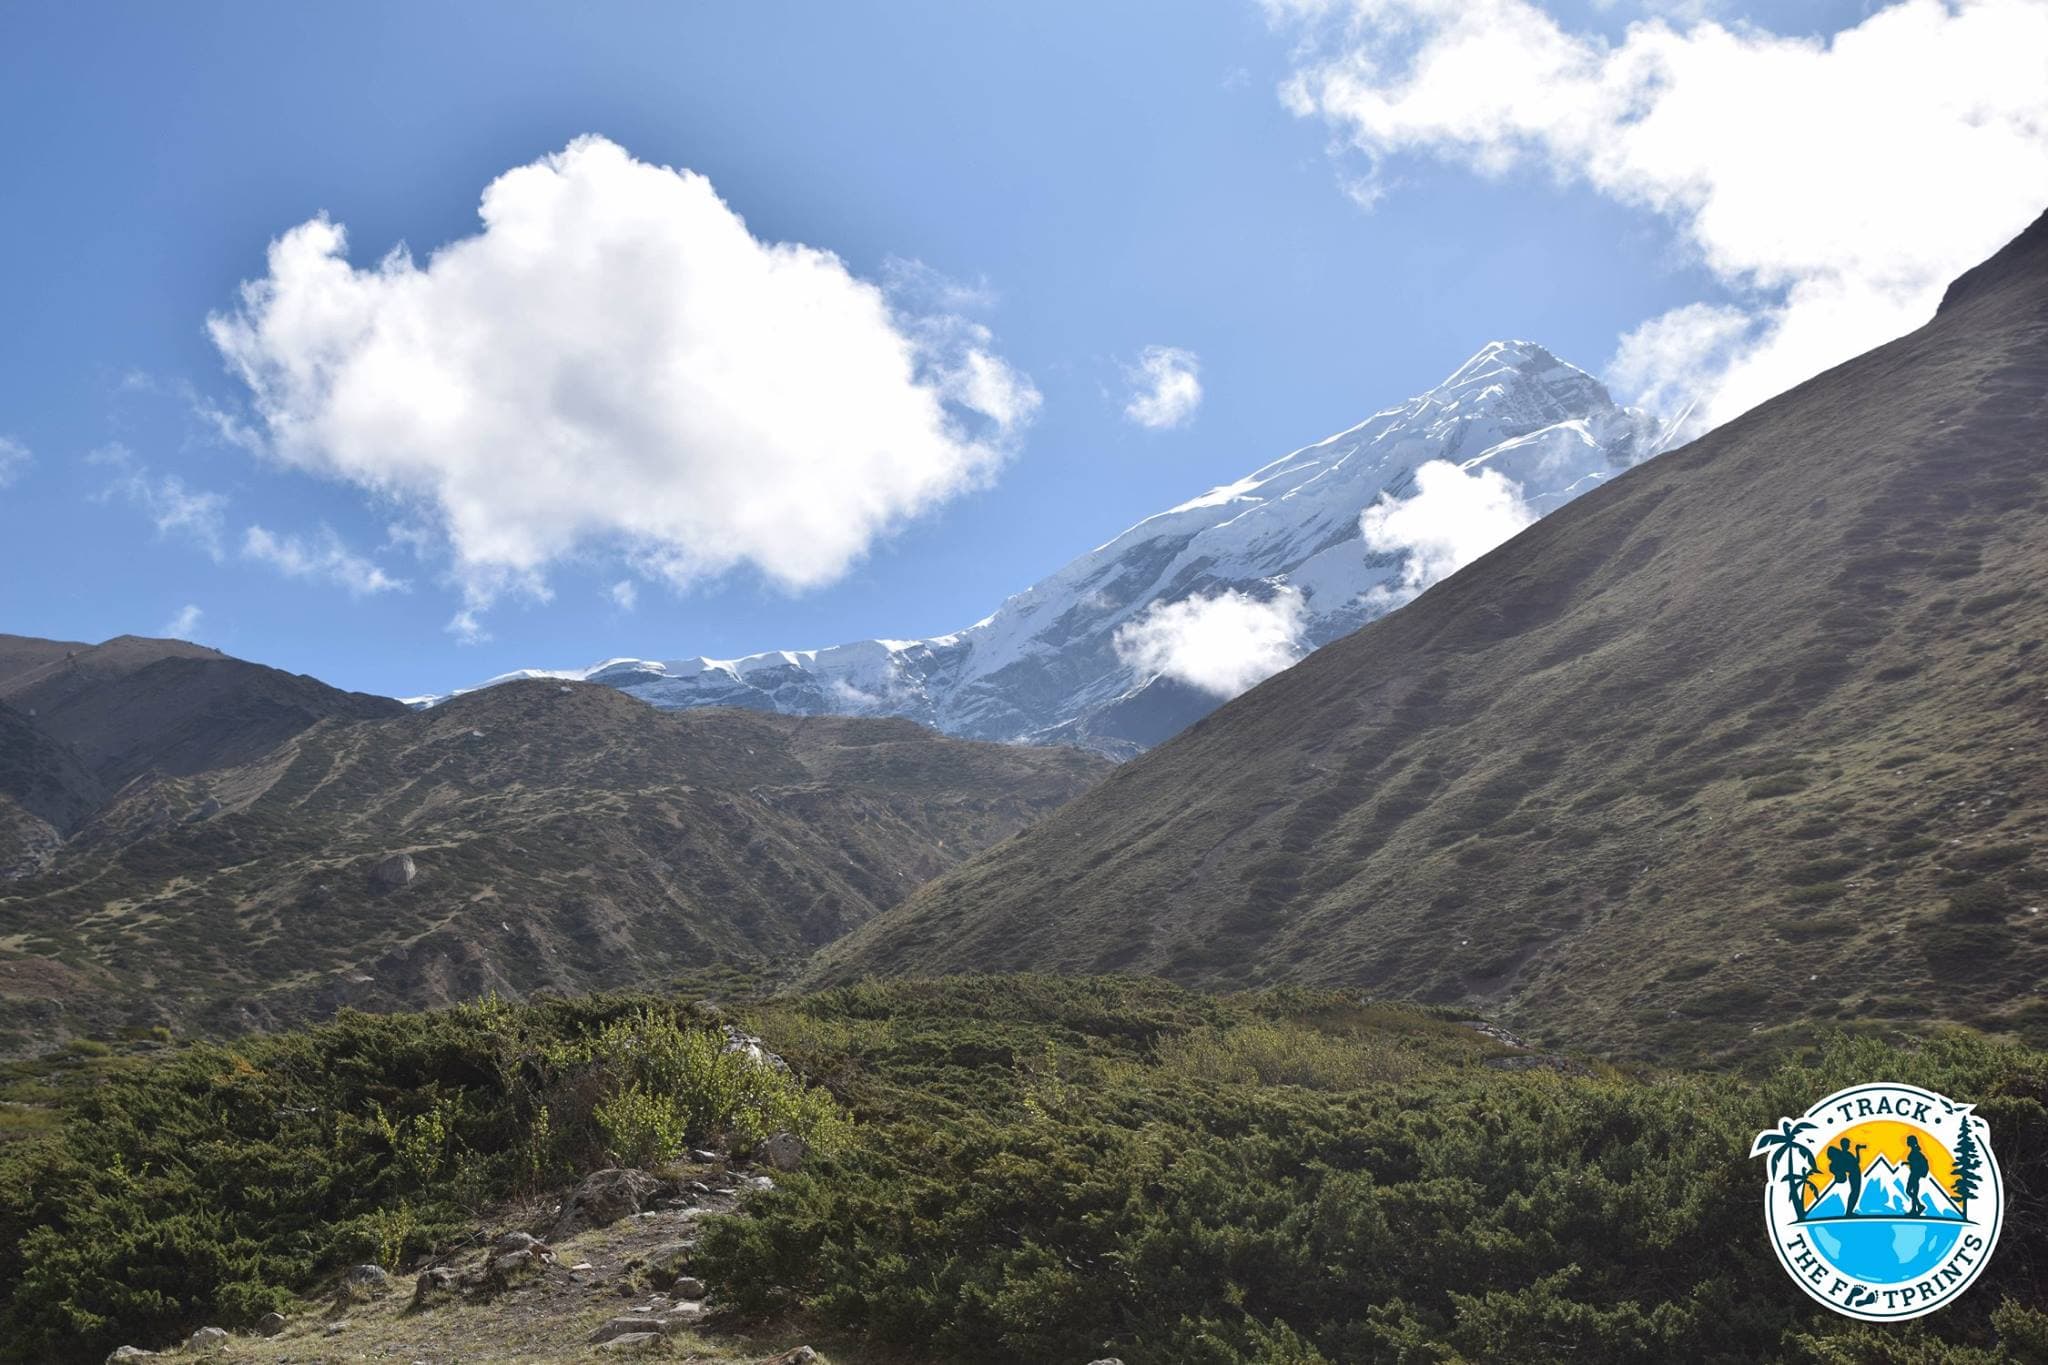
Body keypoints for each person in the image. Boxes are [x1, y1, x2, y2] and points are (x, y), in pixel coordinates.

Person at [1825, 1137, 1864, 1216]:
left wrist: (1857, 1150)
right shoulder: (1844, 1155)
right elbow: (1855, 1162)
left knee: (1855, 1193)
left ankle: (1849, 1211)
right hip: (1854, 1174)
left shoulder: (1846, 1154)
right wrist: (1857, 1150)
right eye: (1847, 1144)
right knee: (1854, 1193)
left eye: (1848, 1144)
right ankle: (1849, 1212)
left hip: (1855, 1173)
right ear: (1844, 1145)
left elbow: (1856, 1162)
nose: (1849, 1145)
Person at [1905, 1135, 1930, 1217]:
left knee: (1910, 1191)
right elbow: (1914, 1162)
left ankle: (1916, 1208)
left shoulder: (1915, 1152)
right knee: (1912, 1192)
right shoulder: (1915, 1151)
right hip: (1914, 1174)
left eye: (1908, 1141)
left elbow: (1916, 1163)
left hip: (1914, 1174)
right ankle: (1917, 1207)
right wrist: (1907, 1163)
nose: (1906, 1142)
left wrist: (1909, 1163)